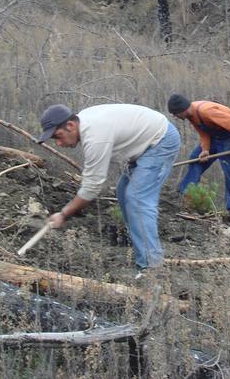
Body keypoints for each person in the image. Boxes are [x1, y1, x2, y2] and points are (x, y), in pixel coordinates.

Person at [37, 103, 180, 271]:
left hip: (160, 141)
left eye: (58, 136)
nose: (59, 144)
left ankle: (151, 267)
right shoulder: (86, 124)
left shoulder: (95, 136)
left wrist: (64, 214)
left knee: (137, 199)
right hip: (147, 142)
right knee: (123, 193)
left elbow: (92, 187)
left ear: (70, 125)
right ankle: (142, 249)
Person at [167, 94, 230, 217]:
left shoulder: (206, 112)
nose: (175, 117)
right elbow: (203, 132)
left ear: (182, 110)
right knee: (195, 161)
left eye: (175, 114)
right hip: (215, 137)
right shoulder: (191, 116)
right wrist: (205, 149)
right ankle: (186, 193)